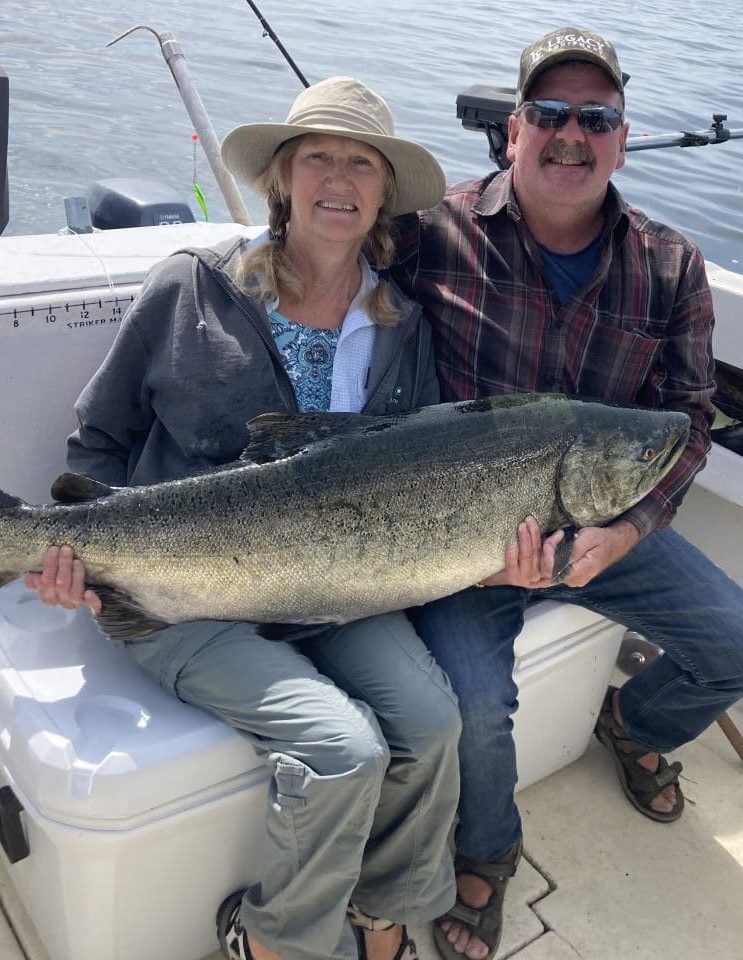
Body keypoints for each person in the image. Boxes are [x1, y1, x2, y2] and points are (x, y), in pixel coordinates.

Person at [26, 76, 459, 960]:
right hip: (181, 593)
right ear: (282, 178)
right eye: (318, 158)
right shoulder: (190, 286)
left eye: (361, 163)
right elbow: (100, 440)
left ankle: (384, 913)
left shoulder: (405, 324)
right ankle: (273, 943)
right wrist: (77, 557)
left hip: (336, 590)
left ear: (383, 193)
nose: (338, 179)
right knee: (345, 750)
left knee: (433, 720)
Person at [390, 27, 743, 960]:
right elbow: (327, 292)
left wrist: (628, 531)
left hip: (607, 522)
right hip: (464, 540)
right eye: (549, 113)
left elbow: (689, 421)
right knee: (475, 704)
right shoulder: (429, 231)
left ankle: (634, 721)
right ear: (512, 130)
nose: (572, 135)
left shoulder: (671, 263)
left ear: (621, 134)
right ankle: (489, 849)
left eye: (596, 117)